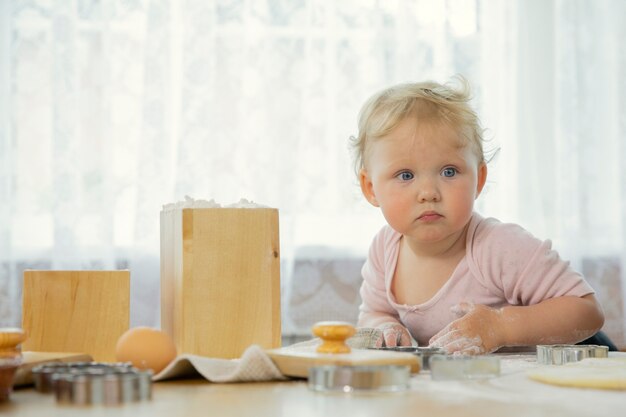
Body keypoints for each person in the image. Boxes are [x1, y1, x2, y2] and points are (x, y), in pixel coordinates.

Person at [350, 76, 606, 355]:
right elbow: (374, 313)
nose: (428, 193)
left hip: (568, 371)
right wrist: (386, 327)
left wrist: (501, 326)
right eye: (406, 175)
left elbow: (587, 312)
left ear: (479, 179)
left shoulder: (498, 247)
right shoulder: (385, 250)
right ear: (371, 188)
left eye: (449, 172)